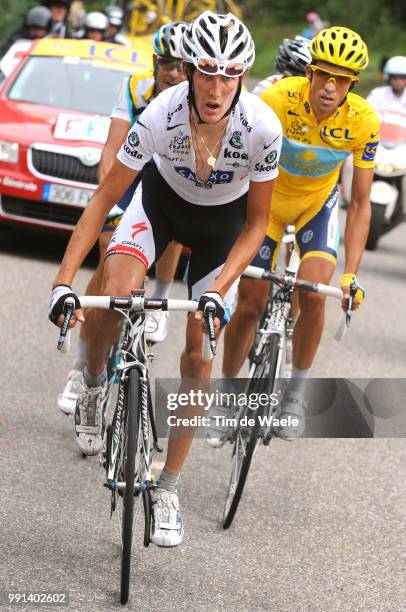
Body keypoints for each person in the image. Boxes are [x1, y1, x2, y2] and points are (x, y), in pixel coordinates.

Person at [49, 10, 282, 547]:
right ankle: (91, 381)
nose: (216, 86)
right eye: (206, 71)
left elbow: (257, 226)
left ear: (243, 76)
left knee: (199, 352)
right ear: (191, 71)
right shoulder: (160, 113)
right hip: (158, 207)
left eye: (229, 74)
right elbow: (105, 200)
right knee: (113, 295)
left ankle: (169, 485)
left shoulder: (262, 128)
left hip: (223, 229)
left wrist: (219, 293)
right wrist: (63, 282)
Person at [208, 26, 380, 446]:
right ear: (310, 72)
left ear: (352, 86)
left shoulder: (364, 122)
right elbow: (236, 160)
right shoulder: (276, 100)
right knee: (249, 303)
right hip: (265, 206)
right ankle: (227, 398)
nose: (330, 87)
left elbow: (359, 204)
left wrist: (350, 274)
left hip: (315, 208)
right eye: (324, 74)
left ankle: (295, 396)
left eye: (342, 80)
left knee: (315, 294)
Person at [57, 21, 188, 415]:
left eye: (183, 65)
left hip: (172, 186)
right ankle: (82, 368)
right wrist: (112, 207)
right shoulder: (135, 89)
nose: (174, 72)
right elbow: (111, 151)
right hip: (131, 179)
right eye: (166, 62)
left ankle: (160, 304)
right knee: (106, 250)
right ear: (154, 63)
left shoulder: (197, 98)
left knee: (179, 220)